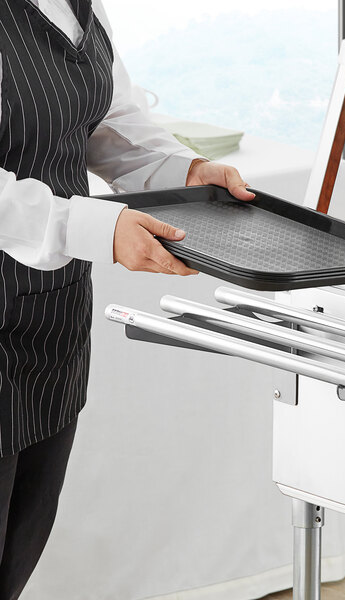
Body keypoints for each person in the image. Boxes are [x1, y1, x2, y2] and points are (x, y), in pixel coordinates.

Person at [0, 0, 254, 597]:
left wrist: (180, 171)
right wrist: (89, 228)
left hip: (51, 319)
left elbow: (107, 123)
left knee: (16, 553)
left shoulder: (80, 7)